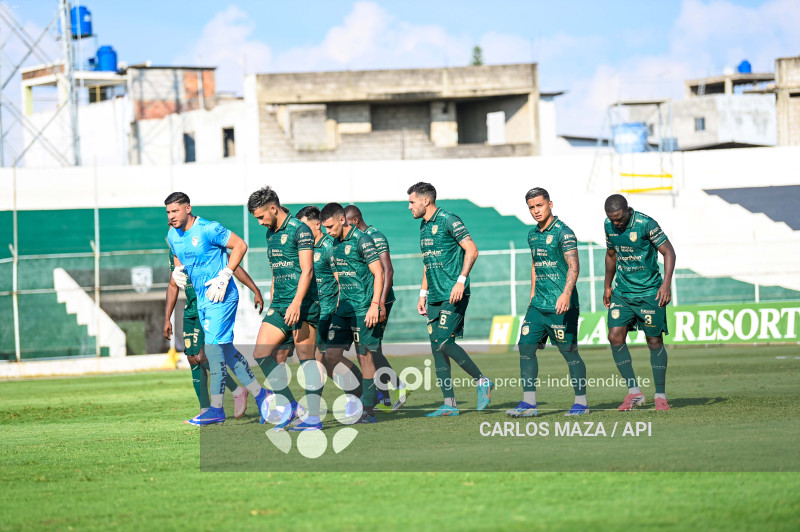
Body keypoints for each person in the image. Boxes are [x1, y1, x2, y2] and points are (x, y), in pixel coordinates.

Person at [165, 192, 271, 426]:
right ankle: (263, 396)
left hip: (222, 296)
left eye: (175, 211)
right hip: (203, 301)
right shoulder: (172, 235)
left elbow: (240, 245)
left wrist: (226, 274)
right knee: (226, 351)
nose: (171, 217)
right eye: (168, 212)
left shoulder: (208, 229)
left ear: (188, 208)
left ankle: (215, 409)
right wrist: (177, 271)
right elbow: (178, 257)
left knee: (212, 351)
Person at [407, 182, 492, 417]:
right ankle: (449, 404)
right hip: (434, 296)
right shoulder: (423, 227)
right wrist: (423, 294)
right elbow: (428, 262)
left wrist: (461, 281)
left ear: (426, 201)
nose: (409, 206)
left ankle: (482, 380)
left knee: (445, 341)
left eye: (412, 201)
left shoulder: (448, 219)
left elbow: (472, 250)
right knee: (437, 348)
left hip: (453, 293)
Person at [507, 188, 588, 418]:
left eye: (539, 206)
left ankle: (581, 402)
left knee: (569, 352)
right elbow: (535, 263)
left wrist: (566, 294)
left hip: (562, 305)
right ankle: (529, 402)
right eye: (531, 207)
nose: (536, 211)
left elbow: (574, 266)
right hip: (538, 305)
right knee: (525, 347)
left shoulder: (564, 232)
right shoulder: (532, 235)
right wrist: (532, 293)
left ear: (550, 204)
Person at [248, 186, 323, 431]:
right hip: (279, 304)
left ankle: (313, 418)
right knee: (260, 354)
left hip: (303, 304)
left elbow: (307, 270)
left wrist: (297, 303)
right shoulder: (271, 233)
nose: (259, 222)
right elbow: (275, 269)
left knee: (306, 360)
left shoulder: (300, 230)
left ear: (273, 208)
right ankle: (291, 405)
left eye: (260, 217)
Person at [164, 249, 264, 423]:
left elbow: (233, 265)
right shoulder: (175, 248)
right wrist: (167, 318)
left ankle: (228, 402)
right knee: (193, 359)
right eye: (169, 224)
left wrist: (254, 289)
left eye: (174, 222)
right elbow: (173, 285)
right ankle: (211, 407)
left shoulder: (202, 240)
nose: (172, 224)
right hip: (192, 310)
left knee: (205, 355)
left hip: (213, 304)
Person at [603, 194, 676, 411]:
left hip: (650, 292)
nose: (616, 223)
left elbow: (668, 252)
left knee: (654, 341)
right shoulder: (609, 225)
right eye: (611, 219)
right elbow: (611, 255)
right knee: (614, 337)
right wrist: (607, 285)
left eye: (619, 218)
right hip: (623, 293)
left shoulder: (646, 224)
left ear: (628, 210)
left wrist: (666, 284)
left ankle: (660, 396)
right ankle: (634, 392)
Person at [320, 202, 385, 424]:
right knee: (331, 355)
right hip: (344, 308)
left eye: (329, 226)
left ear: (341, 219)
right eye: (324, 228)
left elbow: (379, 272)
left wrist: (375, 304)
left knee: (364, 356)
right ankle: (363, 391)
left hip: (363, 308)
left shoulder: (362, 239)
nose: (327, 231)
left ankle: (368, 410)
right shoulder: (332, 244)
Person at [344, 204, 409, 412]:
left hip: (379, 300)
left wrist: (380, 302)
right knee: (371, 347)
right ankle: (385, 397)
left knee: (369, 348)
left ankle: (398, 386)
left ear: (354, 221)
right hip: (365, 301)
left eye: (345, 222)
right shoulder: (355, 239)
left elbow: (387, 270)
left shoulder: (374, 236)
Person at [296, 206, 364, 404]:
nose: (301, 231)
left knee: (322, 361)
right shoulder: (310, 248)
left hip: (329, 312)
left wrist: (337, 312)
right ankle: (362, 395)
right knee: (326, 361)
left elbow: (341, 280)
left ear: (317, 224)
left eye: (304, 226)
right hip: (315, 313)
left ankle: (355, 397)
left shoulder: (328, 246)